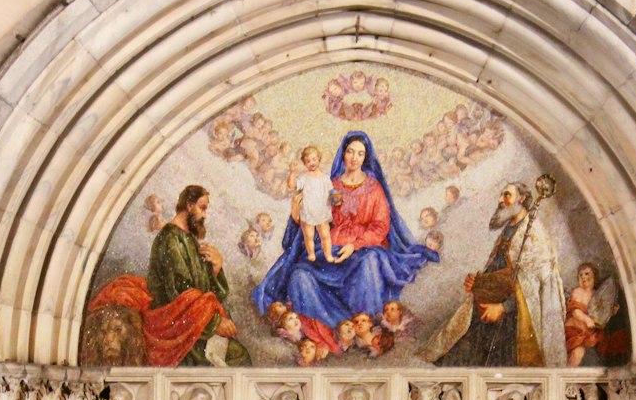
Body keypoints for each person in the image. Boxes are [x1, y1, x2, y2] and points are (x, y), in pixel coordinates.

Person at [253, 131, 438, 355]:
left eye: (360, 153)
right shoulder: (329, 185)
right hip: (328, 251)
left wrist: (355, 244)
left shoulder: (374, 189)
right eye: (350, 151)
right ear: (343, 154)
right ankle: (324, 333)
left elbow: (380, 226)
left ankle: (363, 328)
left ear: (366, 157)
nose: (354, 157)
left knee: (370, 262)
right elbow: (314, 216)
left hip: (363, 249)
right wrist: (296, 213)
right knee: (300, 274)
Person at [85, 185, 250, 367]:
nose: (204, 215)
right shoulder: (169, 239)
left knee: (238, 355)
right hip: (173, 327)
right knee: (238, 357)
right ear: (188, 205)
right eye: (202, 208)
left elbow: (207, 292)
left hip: (192, 321)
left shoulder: (189, 240)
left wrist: (216, 268)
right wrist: (214, 322)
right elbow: (180, 293)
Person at [438, 180, 565, 368]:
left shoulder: (533, 233)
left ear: (521, 199)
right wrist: (478, 283)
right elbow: (499, 268)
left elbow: (533, 285)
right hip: (490, 307)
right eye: (501, 195)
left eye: (507, 195)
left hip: (515, 319)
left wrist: (504, 307)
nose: (500, 200)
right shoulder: (509, 229)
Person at [288, 145, 336, 263]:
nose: (312, 163)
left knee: (325, 235)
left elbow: (332, 192)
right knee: (309, 236)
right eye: (308, 161)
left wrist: (336, 202)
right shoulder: (304, 178)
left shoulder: (325, 178)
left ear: (319, 159)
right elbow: (291, 186)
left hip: (322, 211)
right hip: (308, 211)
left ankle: (328, 255)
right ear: (304, 163)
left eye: (314, 159)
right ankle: (311, 254)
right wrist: (293, 173)